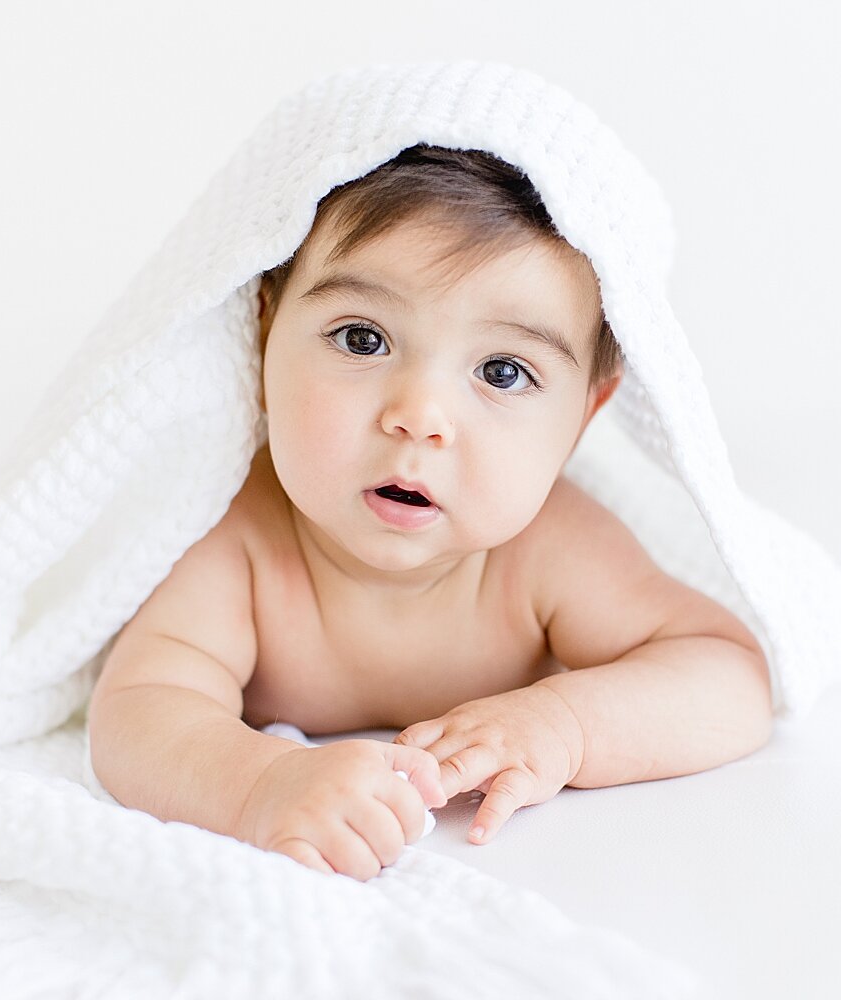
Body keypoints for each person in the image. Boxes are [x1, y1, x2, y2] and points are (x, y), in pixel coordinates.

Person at [86, 144, 772, 882]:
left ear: (580, 418)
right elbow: (138, 711)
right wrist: (259, 784)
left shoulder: (552, 550)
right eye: (362, 338)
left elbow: (728, 675)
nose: (419, 417)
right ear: (263, 336)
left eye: (502, 372)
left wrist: (567, 725)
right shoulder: (236, 539)